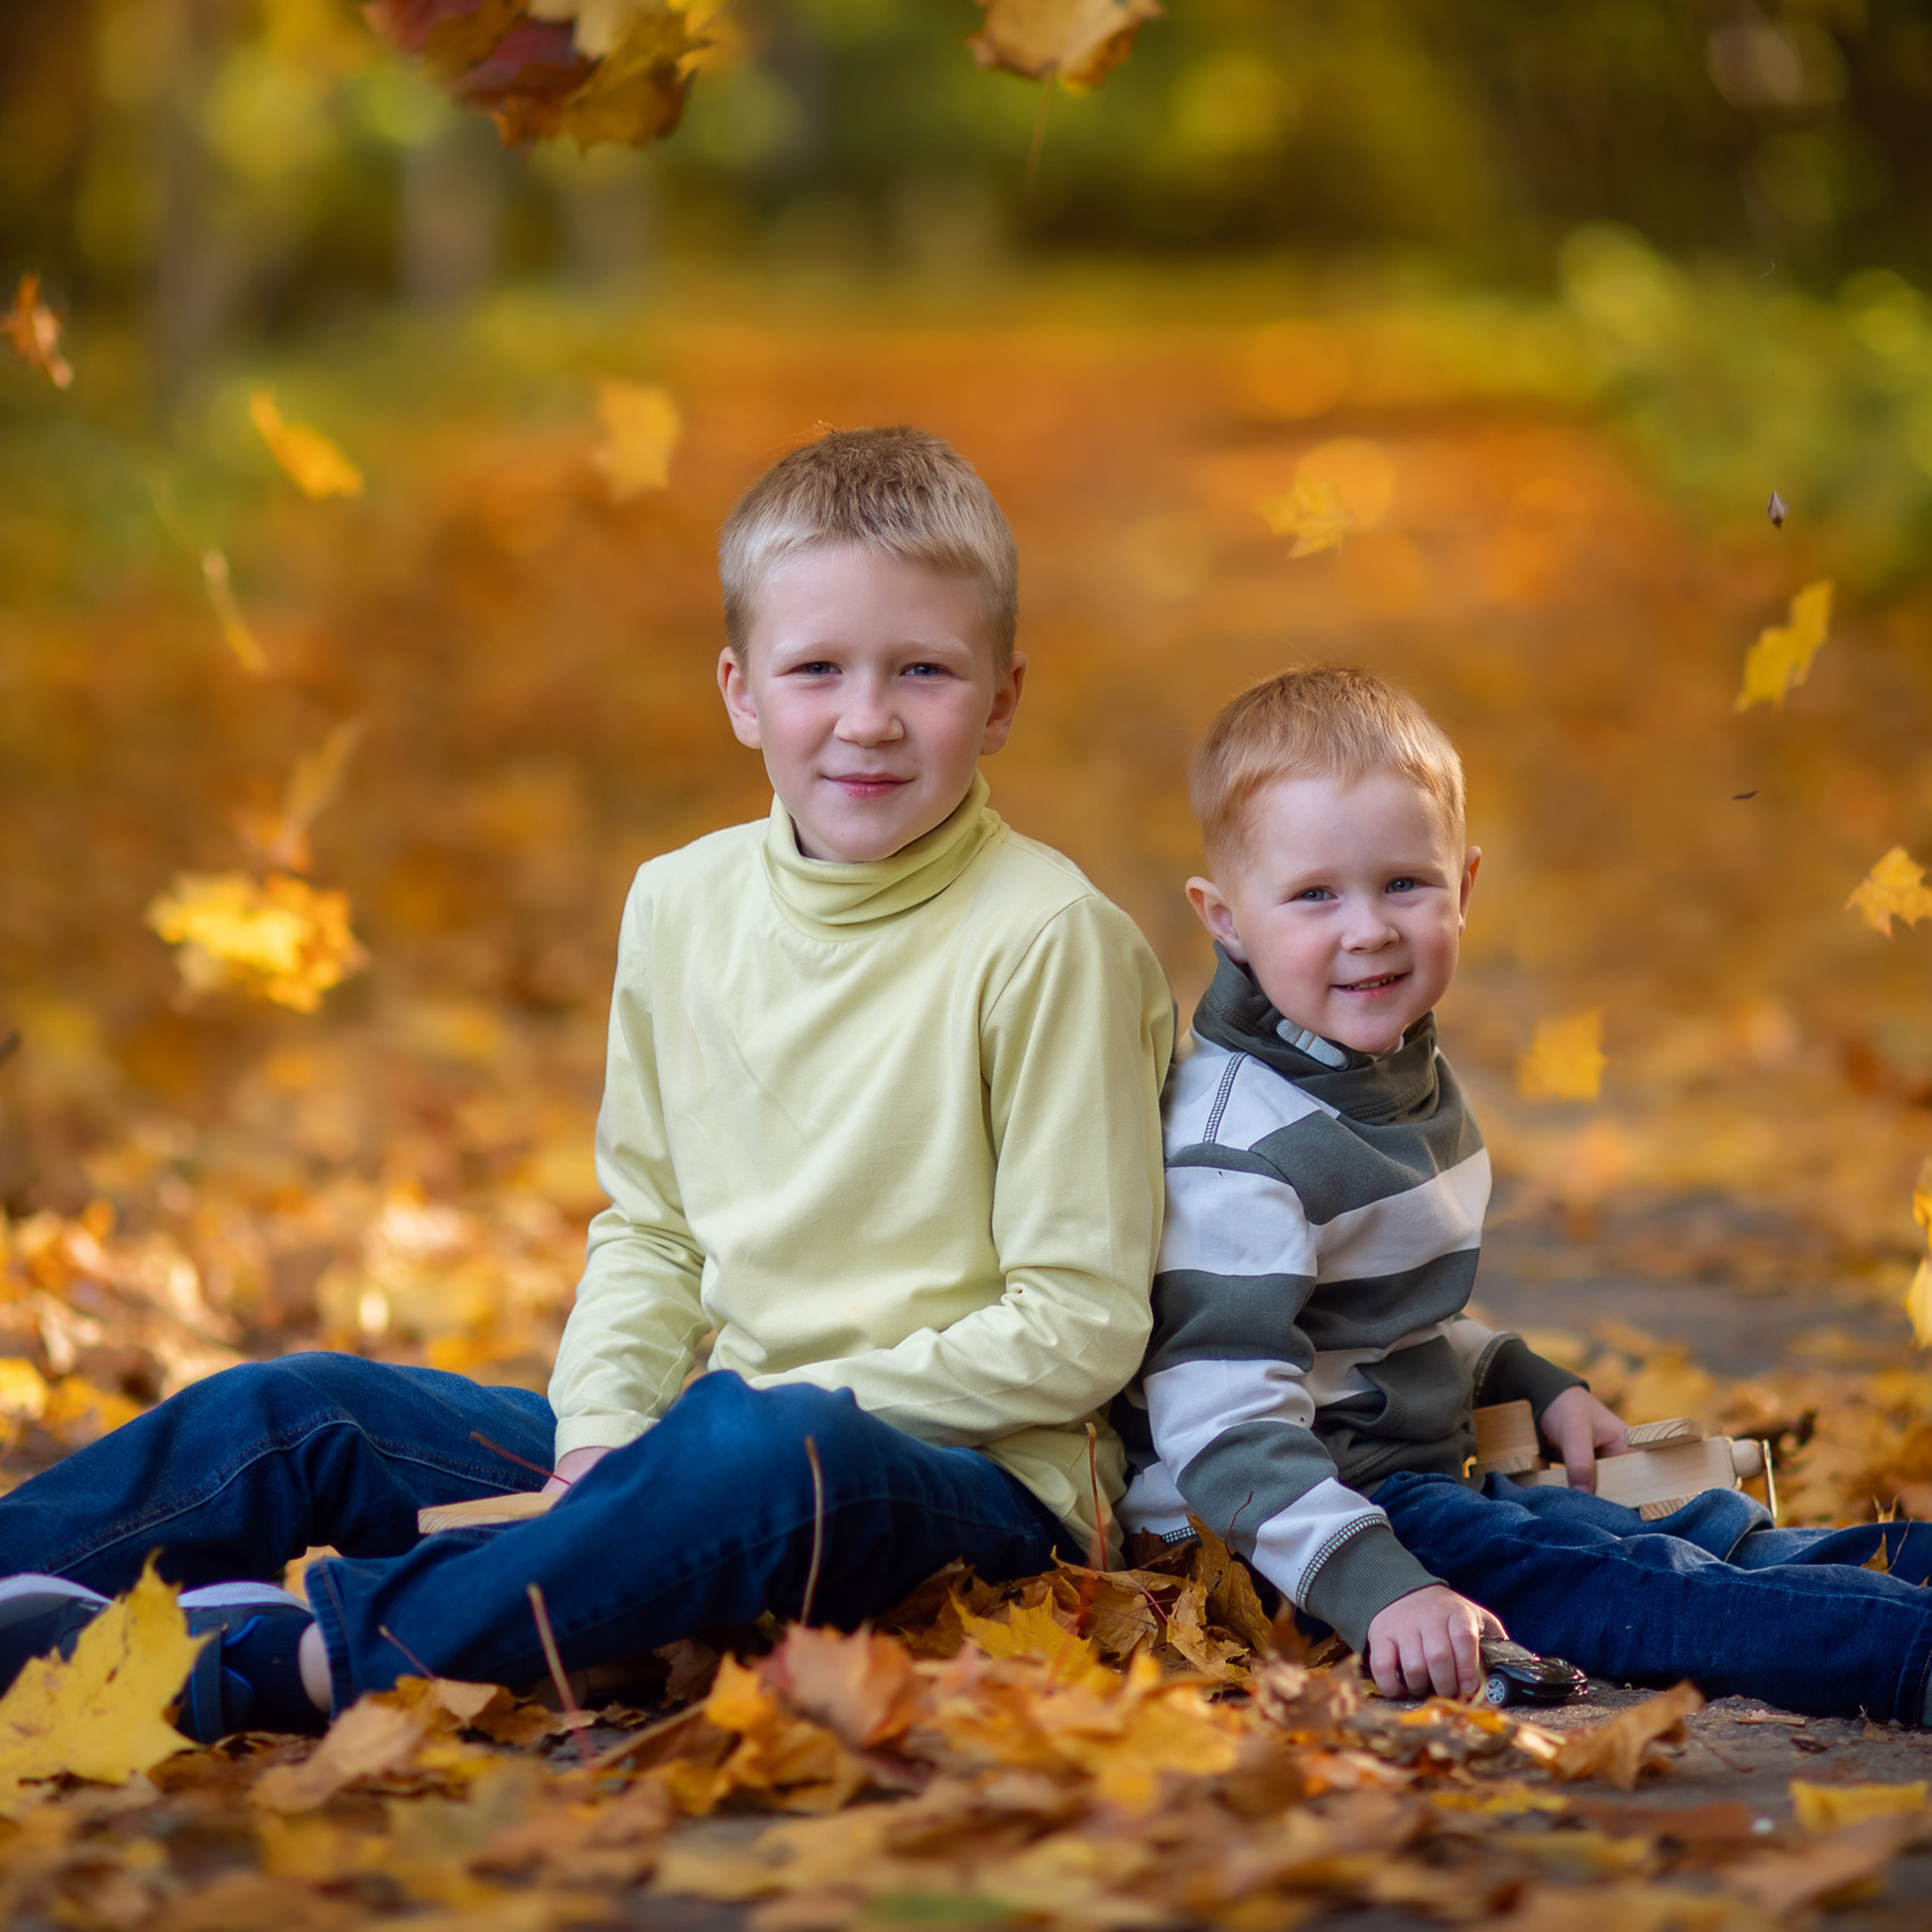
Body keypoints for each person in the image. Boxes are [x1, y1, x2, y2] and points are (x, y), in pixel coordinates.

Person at [0, 427, 1174, 1738]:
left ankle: (305, 1658)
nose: (868, 717)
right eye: (817, 670)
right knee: (299, 1410)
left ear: (1003, 697)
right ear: (740, 691)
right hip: (694, 1450)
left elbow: (1077, 1326)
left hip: (956, 1483)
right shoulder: (679, 905)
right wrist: (598, 1440)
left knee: (762, 1455)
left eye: (924, 671)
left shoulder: (1049, 940)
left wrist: (730, 1424)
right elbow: (654, 1229)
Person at [1116, 664, 1932, 1724]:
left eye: (1404, 884)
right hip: (1286, 1536)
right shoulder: (1243, 1147)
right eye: (1315, 894)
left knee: (1697, 1533)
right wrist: (1382, 1589)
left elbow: (1376, 1321)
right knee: (1629, 1593)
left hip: (1406, 1482)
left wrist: (1525, 1378)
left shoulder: (1394, 1074)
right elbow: (1222, 1428)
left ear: (1466, 885)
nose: (1367, 929)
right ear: (1224, 918)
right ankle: (1906, 1654)